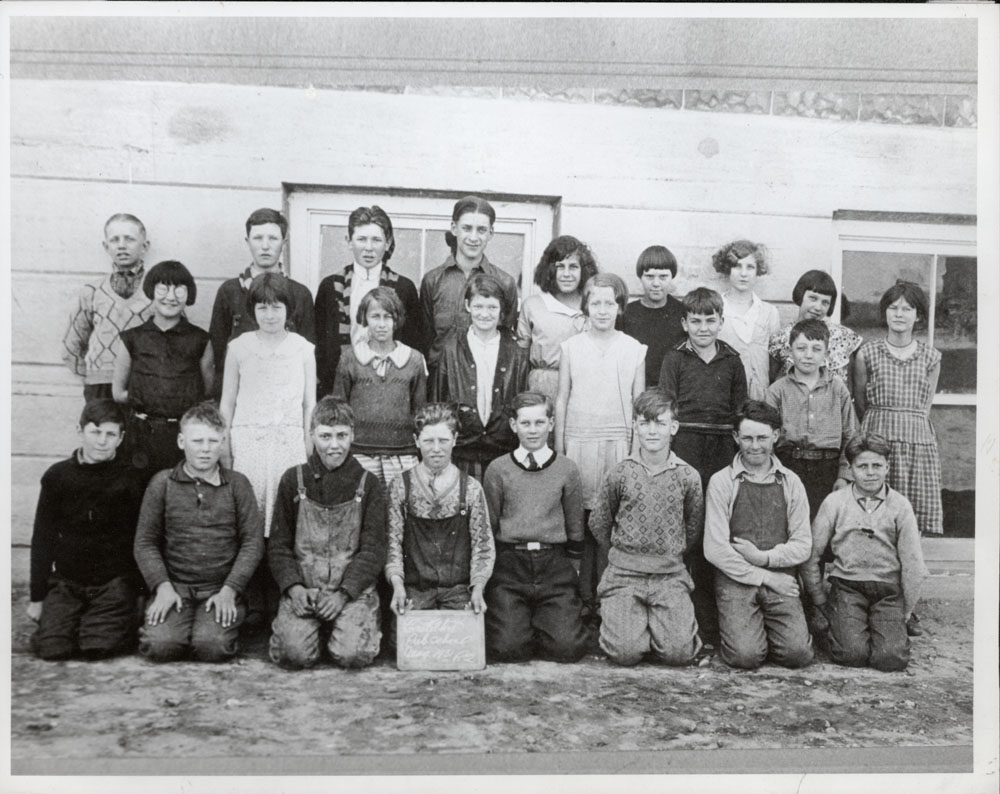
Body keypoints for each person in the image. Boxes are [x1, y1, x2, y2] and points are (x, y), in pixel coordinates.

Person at [133, 402, 264, 662]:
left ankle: (224, 619)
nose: (205, 449)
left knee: (212, 647)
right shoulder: (162, 483)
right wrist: (162, 587)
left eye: (213, 441)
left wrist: (230, 589)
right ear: (181, 441)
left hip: (220, 589)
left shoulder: (237, 485)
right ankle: (163, 616)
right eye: (197, 441)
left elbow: (252, 543)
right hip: (176, 588)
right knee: (161, 646)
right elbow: (145, 542)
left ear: (223, 442)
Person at [268, 397, 386, 669]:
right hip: (305, 591)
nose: (334, 445)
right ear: (311, 435)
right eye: (325, 436)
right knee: (292, 655)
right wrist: (294, 589)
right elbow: (278, 546)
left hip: (350, 594)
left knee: (352, 655)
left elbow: (373, 550)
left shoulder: (368, 484)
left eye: (342, 435)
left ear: (353, 435)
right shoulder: (293, 480)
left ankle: (343, 629)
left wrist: (344, 594)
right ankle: (312, 632)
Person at [658, 287, 747, 647]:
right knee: (687, 526)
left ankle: (712, 617)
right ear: (685, 323)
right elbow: (666, 408)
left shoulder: (733, 360)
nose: (704, 327)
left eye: (711, 320)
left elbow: (740, 411)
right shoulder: (674, 358)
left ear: (721, 321)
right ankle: (681, 611)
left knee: (716, 526)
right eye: (696, 321)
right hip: (687, 446)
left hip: (722, 447)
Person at [589, 389, 704, 667]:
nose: (652, 431)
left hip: (669, 576)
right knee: (624, 653)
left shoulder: (688, 476)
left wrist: (666, 553)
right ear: (635, 426)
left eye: (660, 423)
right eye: (645, 423)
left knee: (678, 654)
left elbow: (692, 526)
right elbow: (600, 522)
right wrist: (626, 554)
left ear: (673, 427)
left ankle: (661, 628)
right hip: (624, 576)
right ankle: (629, 625)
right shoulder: (620, 472)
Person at [556, 272, 646, 622]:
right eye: (596, 303)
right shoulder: (572, 347)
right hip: (579, 441)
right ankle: (580, 601)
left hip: (618, 443)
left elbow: (639, 402)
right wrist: (560, 450)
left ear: (620, 307)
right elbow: (562, 399)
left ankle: (610, 602)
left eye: (610, 303)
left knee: (610, 522)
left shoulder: (633, 348)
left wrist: (636, 452)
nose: (603, 309)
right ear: (586, 306)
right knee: (581, 522)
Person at [853, 281, 942, 637]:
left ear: (918, 315)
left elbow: (926, 405)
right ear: (884, 313)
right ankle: (876, 601)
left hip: (918, 443)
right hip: (878, 437)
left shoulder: (932, 357)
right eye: (893, 307)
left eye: (907, 308)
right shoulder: (867, 353)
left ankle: (908, 605)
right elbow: (861, 403)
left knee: (910, 528)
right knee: (875, 521)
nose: (899, 314)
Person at [27, 399, 145, 660]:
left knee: (97, 648)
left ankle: (107, 625)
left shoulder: (131, 478)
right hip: (69, 580)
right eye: (95, 432)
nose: (102, 441)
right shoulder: (57, 477)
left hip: (113, 583)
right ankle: (59, 624)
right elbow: (42, 538)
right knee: (53, 649)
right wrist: (37, 598)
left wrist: (138, 595)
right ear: (80, 431)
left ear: (121, 437)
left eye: (110, 434)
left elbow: (142, 539)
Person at [704, 400, 813, 670]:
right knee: (745, 656)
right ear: (735, 437)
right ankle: (747, 633)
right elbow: (715, 549)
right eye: (747, 438)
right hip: (735, 579)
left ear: (775, 436)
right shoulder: (722, 481)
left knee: (797, 654)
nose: (755, 446)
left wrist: (765, 559)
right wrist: (765, 577)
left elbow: (803, 545)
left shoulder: (791, 482)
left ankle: (772, 632)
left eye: (762, 438)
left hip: (781, 577)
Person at [802, 435, 927, 672]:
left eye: (877, 466)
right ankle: (844, 628)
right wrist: (819, 599)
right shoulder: (835, 502)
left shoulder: (900, 505)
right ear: (850, 469)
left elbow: (914, 564)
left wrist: (906, 610)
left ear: (887, 466)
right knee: (851, 655)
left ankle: (884, 630)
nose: (870, 473)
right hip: (847, 588)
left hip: (888, 592)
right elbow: (812, 554)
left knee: (890, 659)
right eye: (862, 466)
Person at [482, 391, 589, 663]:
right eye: (526, 423)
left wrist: (571, 568)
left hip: (553, 565)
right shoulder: (498, 469)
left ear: (551, 424)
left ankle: (548, 622)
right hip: (510, 566)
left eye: (539, 423)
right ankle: (519, 624)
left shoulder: (566, 469)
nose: (533, 430)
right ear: (513, 425)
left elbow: (575, 526)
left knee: (567, 649)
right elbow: (490, 524)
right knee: (507, 649)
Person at [220, 273, 316, 536]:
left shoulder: (303, 349)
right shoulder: (239, 347)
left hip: (289, 441)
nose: (270, 315)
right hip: (249, 442)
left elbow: (310, 403)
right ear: (252, 310)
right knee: (249, 513)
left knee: (286, 513)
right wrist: (225, 445)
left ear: (288, 308)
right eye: (262, 307)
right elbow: (227, 402)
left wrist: (307, 441)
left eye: (276, 307)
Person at [385, 403, 495, 619]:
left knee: (462, 643)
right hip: (415, 590)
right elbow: (392, 542)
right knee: (405, 644)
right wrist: (397, 585)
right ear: (417, 441)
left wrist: (479, 587)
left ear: (454, 440)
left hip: (459, 590)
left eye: (443, 440)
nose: (436, 448)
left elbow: (483, 546)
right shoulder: (400, 486)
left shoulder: (471, 488)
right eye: (428, 441)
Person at [113, 261, 213, 483]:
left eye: (179, 288)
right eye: (163, 288)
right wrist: (148, 399)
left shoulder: (200, 340)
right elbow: (118, 392)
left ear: (189, 294)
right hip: (140, 438)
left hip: (183, 437)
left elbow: (206, 390)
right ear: (151, 291)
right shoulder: (132, 338)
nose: (171, 296)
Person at [314, 205, 424, 397]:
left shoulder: (404, 289)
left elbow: (413, 344)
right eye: (361, 239)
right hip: (339, 384)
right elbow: (320, 345)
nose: (369, 248)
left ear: (388, 243)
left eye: (376, 240)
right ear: (349, 241)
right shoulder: (330, 287)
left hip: (390, 386)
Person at [429, 274, 528, 481]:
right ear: (467, 306)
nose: (485, 314)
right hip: (464, 448)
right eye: (478, 306)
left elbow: (521, 403)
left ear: (502, 309)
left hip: (502, 448)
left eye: (492, 307)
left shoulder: (515, 352)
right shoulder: (451, 348)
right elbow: (439, 401)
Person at [209, 208, 315, 393]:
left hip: (285, 394)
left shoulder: (299, 294)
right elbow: (218, 351)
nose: (265, 246)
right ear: (247, 242)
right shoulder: (230, 291)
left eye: (273, 238)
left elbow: (309, 355)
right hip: (240, 392)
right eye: (258, 238)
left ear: (284, 243)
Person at [765, 319, 859, 521]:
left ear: (826, 354)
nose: (808, 355)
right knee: (789, 525)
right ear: (790, 352)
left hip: (827, 470)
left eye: (816, 349)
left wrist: (844, 476)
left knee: (824, 528)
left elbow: (850, 436)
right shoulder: (777, 391)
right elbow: (767, 436)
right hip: (789, 466)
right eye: (801, 348)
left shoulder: (838, 389)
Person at [332, 288, 427, 487]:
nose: (382, 324)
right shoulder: (350, 358)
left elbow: (419, 412)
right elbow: (339, 410)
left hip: (401, 455)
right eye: (375, 316)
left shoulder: (414, 360)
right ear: (365, 319)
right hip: (359, 454)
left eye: (388, 317)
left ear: (397, 320)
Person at [62, 213, 153, 401]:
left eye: (129, 239)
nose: (121, 245)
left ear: (144, 246)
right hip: (100, 386)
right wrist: (91, 377)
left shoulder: (158, 291)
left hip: (142, 385)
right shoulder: (92, 291)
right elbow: (71, 344)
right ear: (106, 246)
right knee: (102, 429)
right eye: (114, 240)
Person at [419, 196, 519, 367]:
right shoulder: (432, 280)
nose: (473, 237)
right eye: (467, 228)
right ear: (454, 228)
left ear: (491, 233)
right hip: (441, 379)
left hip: (486, 376)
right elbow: (425, 337)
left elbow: (505, 337)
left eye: (481, 230)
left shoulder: (505, 282)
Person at [515, 235, 596, 402]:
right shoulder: (534, 305)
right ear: (550, 270)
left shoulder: (595, 305)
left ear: (584, 270)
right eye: (560, 267)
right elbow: (520, 360)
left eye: (573, 267)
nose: (566, 274)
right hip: (543, 388)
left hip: (586, 387)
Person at [768, 269, 862, 386]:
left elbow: (853, 384)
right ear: (800, 295)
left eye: (825, 302)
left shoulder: (844, 336)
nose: (818, 307)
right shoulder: (780, 338)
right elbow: (773, 381)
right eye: (813, 298)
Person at [713, 240, 781, 400]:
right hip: (722, 398)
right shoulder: (715, 309)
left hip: (760, 400)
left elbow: (775, 361)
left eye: (750, 267)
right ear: (727, 269)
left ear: (758, 270)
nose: (743, 274)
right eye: (737, 266)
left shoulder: (769, 312)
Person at [622, 245, 687, 389]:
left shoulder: (682, 311)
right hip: (636, 389)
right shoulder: (627, 314)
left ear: (672, 277)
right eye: (649, 276)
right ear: (640, 277)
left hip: (673, 390)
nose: (656, 283)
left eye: (663, 277)